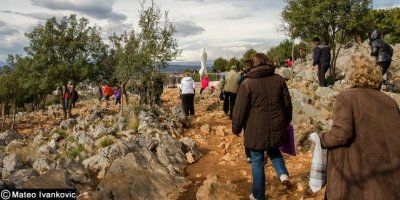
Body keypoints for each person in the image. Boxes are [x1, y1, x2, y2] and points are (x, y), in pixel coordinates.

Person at [315, 54, 400, 200]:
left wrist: (320, 138)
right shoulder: (390, 101)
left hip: (356, 183)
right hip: (386, 182)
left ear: (352, 75)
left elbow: (340, 134)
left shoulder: (346, 97)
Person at [232, 53, 293, 200]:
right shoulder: (278, 79)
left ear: (252, 65)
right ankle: (283, 174)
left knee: (257, 161)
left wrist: (236, 128)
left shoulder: (247, 83)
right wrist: (285, 122)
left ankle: (258, 196)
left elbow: (240, 110)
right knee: (274, 150)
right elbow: (287, 104)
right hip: (276, 124)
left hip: (255, 128)